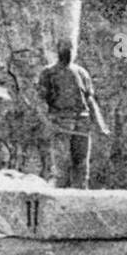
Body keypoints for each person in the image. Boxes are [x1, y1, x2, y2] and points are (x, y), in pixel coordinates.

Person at [37, 42, 105, 188]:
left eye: (70, 49)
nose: (68, 52)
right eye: (64, 49)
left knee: (81, 163)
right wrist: (47, 122)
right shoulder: (48, 72)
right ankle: (60, 195)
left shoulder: (82, 72)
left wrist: (100, 124)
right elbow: (41, 100)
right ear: (58, 51)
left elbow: (90, 99)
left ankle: (81, 195)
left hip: (82, 121)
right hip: (60, 121)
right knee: (61, 164)